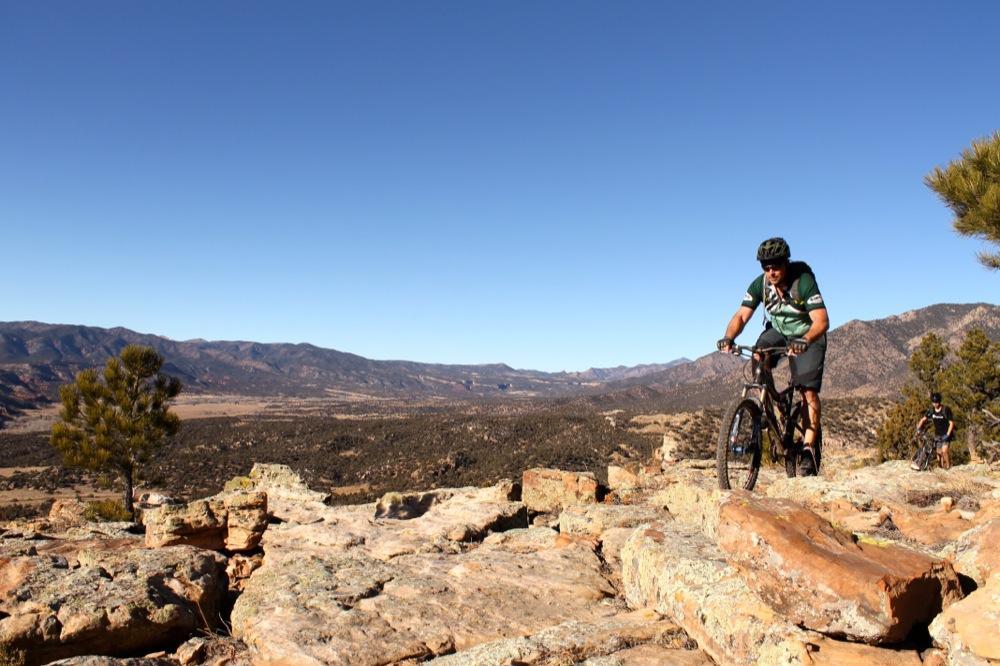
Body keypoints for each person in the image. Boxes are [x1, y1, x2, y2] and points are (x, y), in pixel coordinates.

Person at [717, 237, 830, 475]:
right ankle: (768, 409)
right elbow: (741, 316)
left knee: (807, 391)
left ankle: (808, 447)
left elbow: (821, 321)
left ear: (786, 263)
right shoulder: (761, 285)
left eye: (776, 266)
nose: (771, 272)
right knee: (758, 358)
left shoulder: (804, 281)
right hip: (778, 332)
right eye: (766, 267)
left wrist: (805, 340)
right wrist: (729, 337)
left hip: (808, 334)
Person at [914, 392, 955, 470]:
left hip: (946, 434)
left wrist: (948, 434)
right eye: (933, 402)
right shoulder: (931, 411)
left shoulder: (945, 410)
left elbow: (951, 423)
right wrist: (918, 429)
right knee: (939, 452)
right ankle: (941, 467)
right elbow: (923, 419)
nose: (935, 404)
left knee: (944, 450)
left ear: (939, 402)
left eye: (936, 402)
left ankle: (948, 466)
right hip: (937, 434)